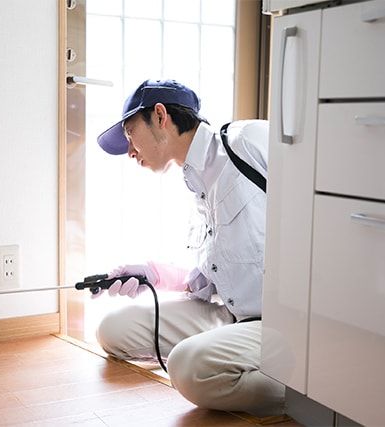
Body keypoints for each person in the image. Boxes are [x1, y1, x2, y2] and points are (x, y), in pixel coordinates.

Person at [93, 79, 285, 417]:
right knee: (113, 330)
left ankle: (315, 394)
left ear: (160, 116)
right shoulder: (198, 185)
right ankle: (228, 358)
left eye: (130, 134)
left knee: (186, 367)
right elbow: (216, 276)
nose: (130, 151)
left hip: (281, 322)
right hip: (232, 316)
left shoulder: (247, 141)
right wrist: (153, 275)